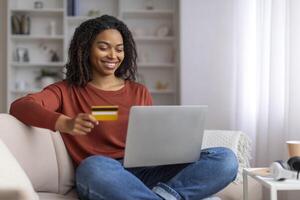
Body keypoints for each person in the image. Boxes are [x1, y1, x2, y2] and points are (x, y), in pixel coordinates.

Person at [10, 15, 238, 200]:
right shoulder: (65, 90)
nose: (113, 55)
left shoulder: (138, 91)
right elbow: (20, 106)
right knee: (93, 167)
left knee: (225, 158)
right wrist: (65, 122)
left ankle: (165, 196)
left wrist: (170, 146)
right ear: (85, 49)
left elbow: (150, 141)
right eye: (104, 47)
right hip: (106, 174)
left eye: (119, 49)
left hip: (147, 171)